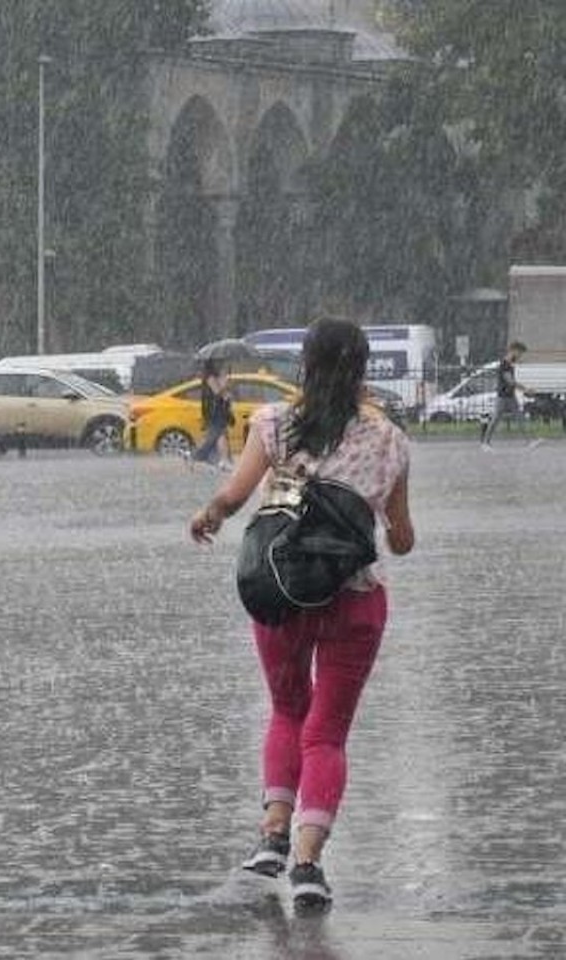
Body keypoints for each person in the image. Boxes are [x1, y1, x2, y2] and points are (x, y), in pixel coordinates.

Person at [188, 319, 415, 912]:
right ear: (363, 368)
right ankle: (309, 864)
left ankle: (272, 834)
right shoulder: (388, 439)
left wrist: (209, 514)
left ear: (305, 366)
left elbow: (234, 497)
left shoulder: (274, 423)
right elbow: (402, 536)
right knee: (327, 732)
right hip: (354, 598)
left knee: (288, 711)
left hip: (281, 590)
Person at [481, 341, 529, 448]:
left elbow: (511, 382)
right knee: (495, 419)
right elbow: (510, 381)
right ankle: (485, 443)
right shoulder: (504, 364)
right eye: (520, 353)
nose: (520, 356)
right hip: (502, 397)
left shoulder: (510, 364)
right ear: (513, 350)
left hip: (510, 396)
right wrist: (525, 389)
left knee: (519, 417)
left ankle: (528, 441)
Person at [190, 360, 234, 469]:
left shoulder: (215, 375)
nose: (221, 364)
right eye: (219, 363)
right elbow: (217, 391)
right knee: (219, 433)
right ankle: (220, 459)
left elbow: (223, 393)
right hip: (214, 410)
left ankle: (216, 458)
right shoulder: (210, 376)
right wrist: (224, 383)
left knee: (216, 434)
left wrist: (227, 388)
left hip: (220, 408)